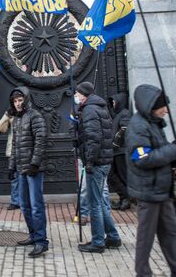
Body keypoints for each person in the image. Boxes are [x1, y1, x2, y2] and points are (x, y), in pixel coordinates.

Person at [125, 84, 176, 277]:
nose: (166, 110)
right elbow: (143, 159)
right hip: (148, 191)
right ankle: (142, 273)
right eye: (163, 106)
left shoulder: (154, 123)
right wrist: (173, 150)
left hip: (162, 190)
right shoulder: (138, 126)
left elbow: (159, 151)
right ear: (151, 105)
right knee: (146, 238)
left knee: (171, 234)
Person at [73, 82, 122, 254]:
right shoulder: (98, 107)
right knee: (100, 201)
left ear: (83, 95)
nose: (76, 97)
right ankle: (113, 237)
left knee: (95, 203)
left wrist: (90, 161)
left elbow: (94, 138)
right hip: (104, 161)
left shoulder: (89, 110)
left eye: (77, 94)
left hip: (97, 162)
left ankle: (98, 241)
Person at [7, 87, 49, 257]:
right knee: (24, 205)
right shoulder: (16, 119)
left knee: (36, 205)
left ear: (26, 100)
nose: (17, 103)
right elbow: (15, 145)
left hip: (33, 169)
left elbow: (41, 139)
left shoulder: (34, 116)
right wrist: (11, 166)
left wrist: (35, 163)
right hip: (20, 168)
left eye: (20, 100)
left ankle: (41, 241)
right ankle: (32, 235)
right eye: (15, 101)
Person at [107, 93, 131, 211]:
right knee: (111, 175)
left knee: (122, 175)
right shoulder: (116, 115)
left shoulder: (125, 113)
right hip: (115, 151)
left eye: (115, 101)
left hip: (121, 151)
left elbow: (124, 128)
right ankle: (124, 196)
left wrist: (116, 143)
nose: (113, 104)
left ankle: (126, 198)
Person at [0, 111, 20, 210]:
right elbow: (0, 128)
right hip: (12, 150)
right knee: (14, 177)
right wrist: (7, 115)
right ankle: (15, 201)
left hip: (26, 150)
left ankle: (27, 201)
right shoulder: (12, 115)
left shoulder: (30, 115)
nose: (18, 104)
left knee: (26, 177)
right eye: (15, 101)